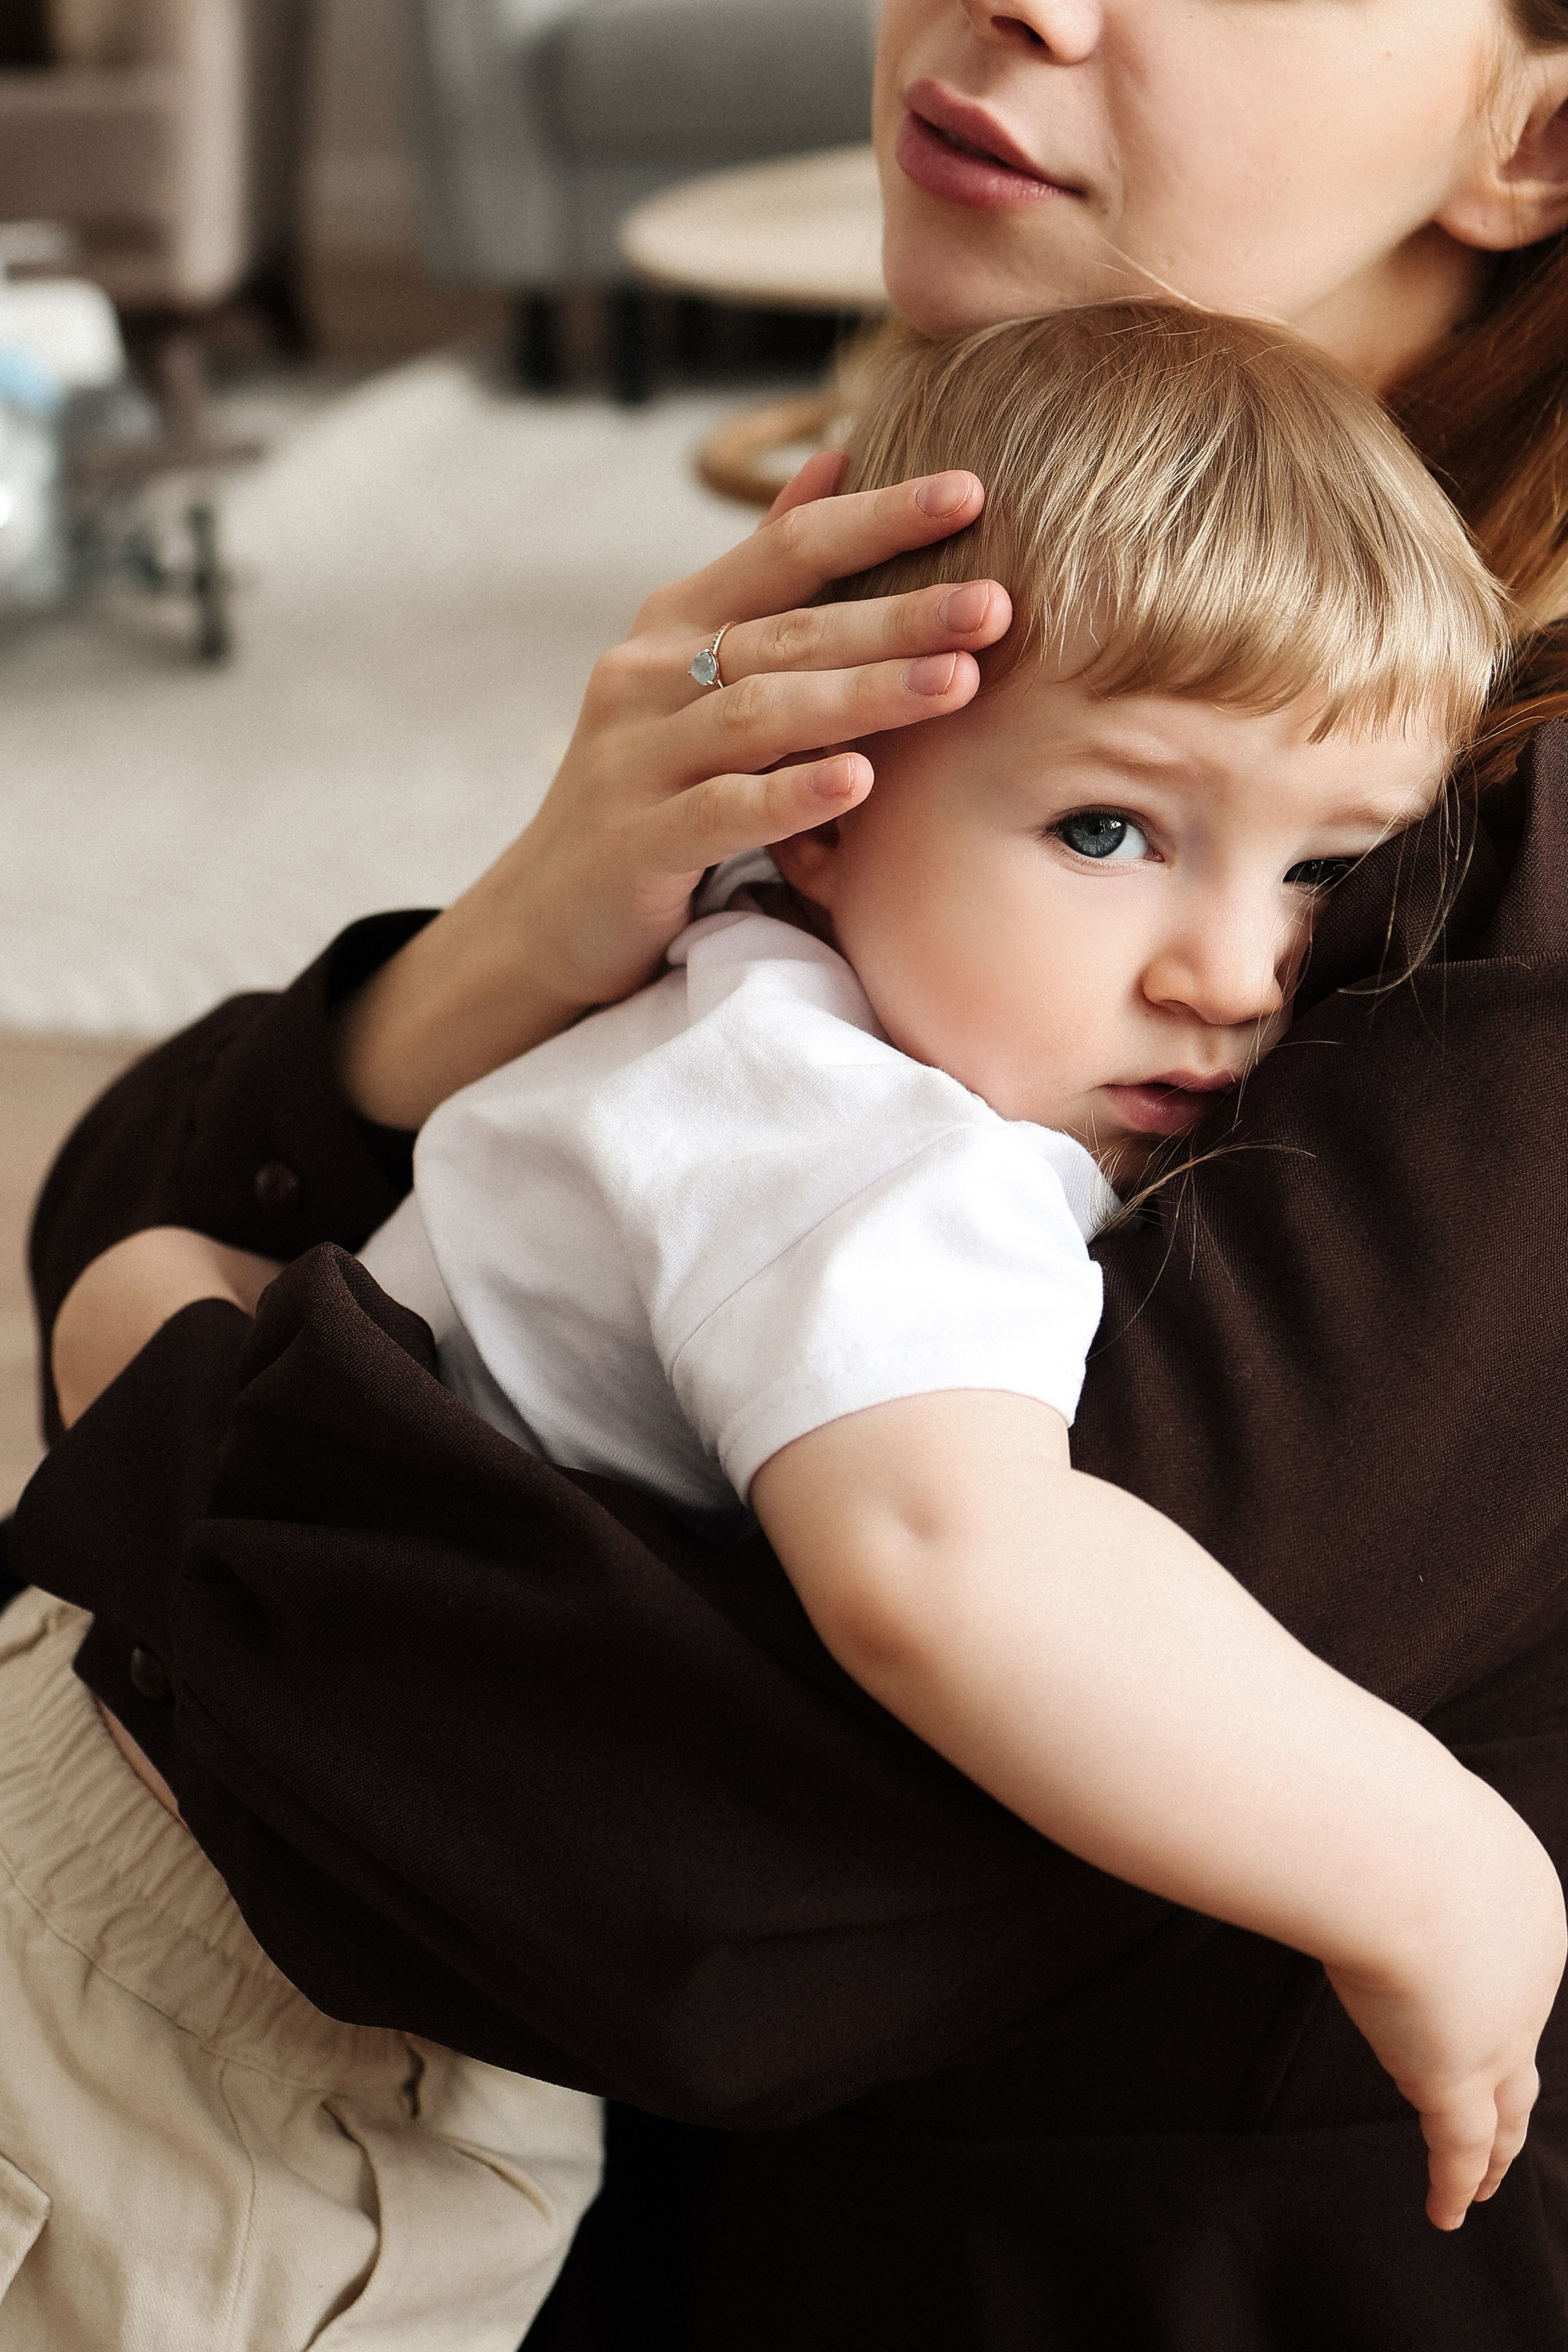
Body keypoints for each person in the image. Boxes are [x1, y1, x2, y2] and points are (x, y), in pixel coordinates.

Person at [13, 3, 1568, 2344]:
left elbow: (729, 1893)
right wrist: (505, 949)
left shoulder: (1498, 855)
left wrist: (194, 1373)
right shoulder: (953, 666)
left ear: (1535, 131)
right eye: (1115, 831)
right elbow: (137, 1206)